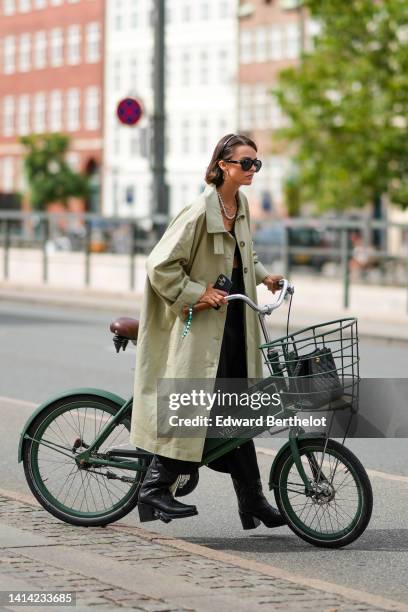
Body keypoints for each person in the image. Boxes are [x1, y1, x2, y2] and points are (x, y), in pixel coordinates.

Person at [130, 134, 286, 529]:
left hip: (233, 320)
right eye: (246, 163)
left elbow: (243, 253)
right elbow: (159, 264)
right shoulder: (200, 210)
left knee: (237, 410)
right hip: (200, 323)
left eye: (257, 164)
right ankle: (154, 487)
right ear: (222, 166)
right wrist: (197, 294)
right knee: (195, 403)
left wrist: (266, 277)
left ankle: (251, 500)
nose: (252, 170)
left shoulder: (241, 205)